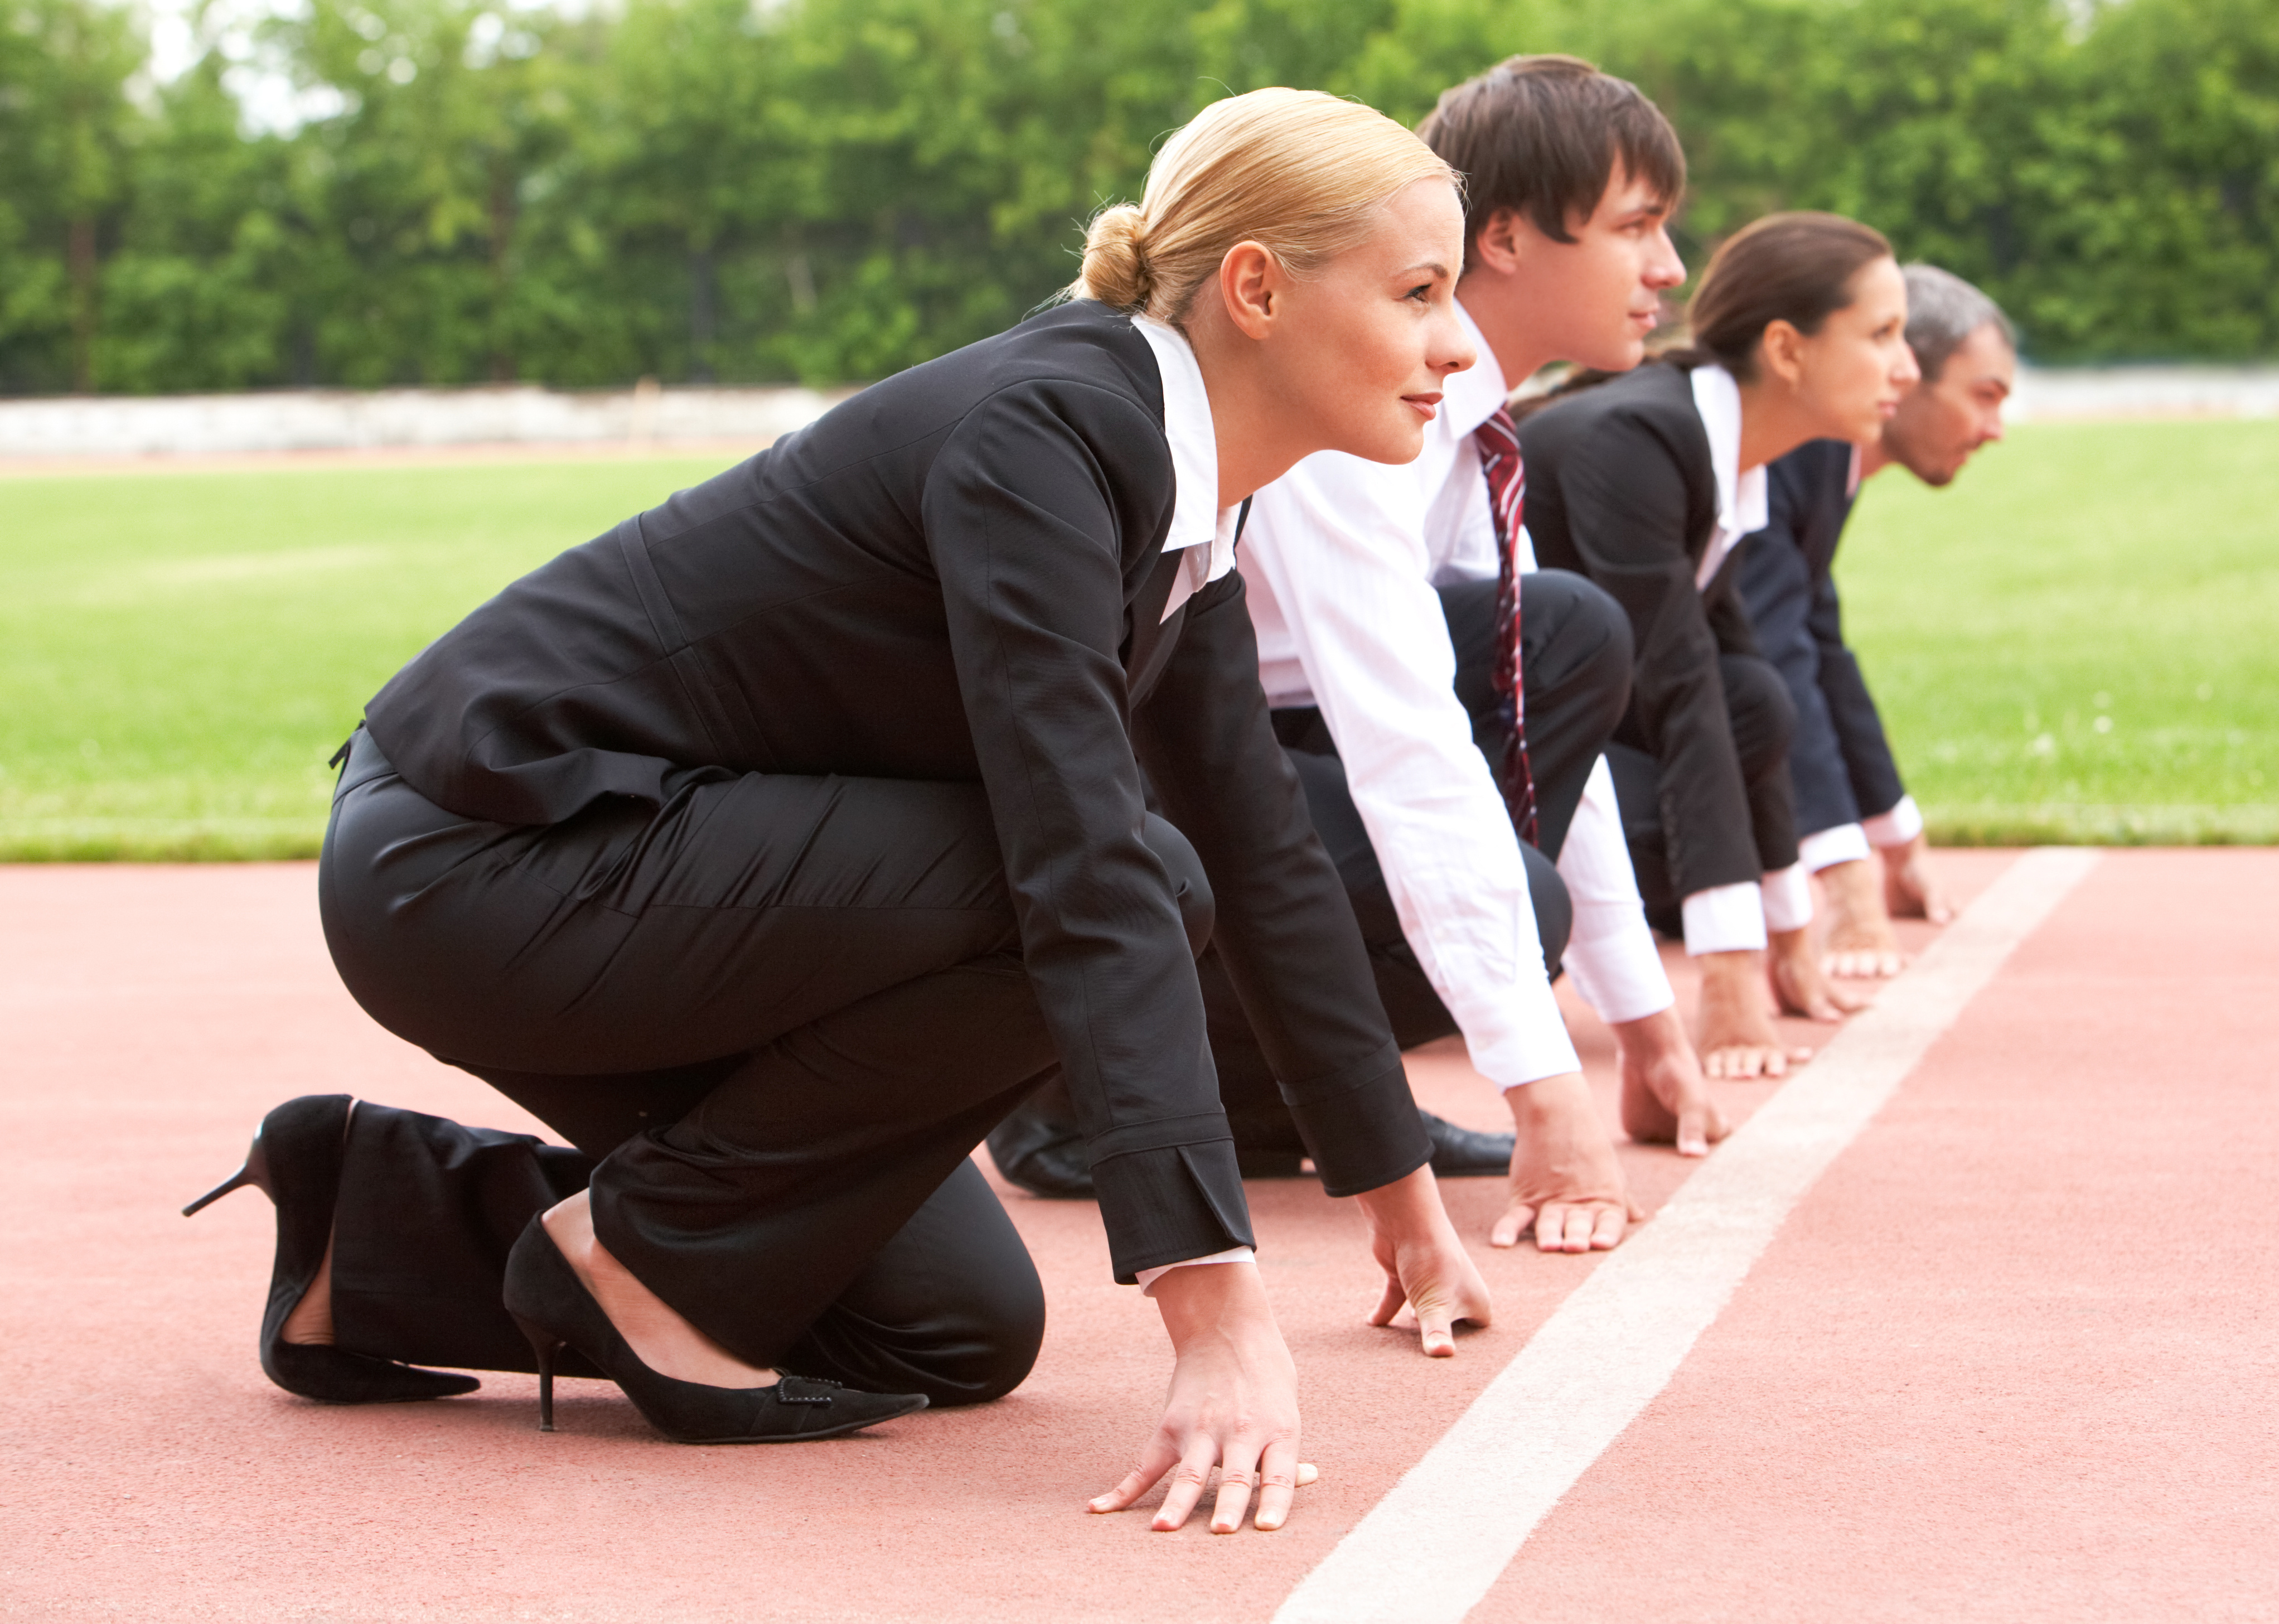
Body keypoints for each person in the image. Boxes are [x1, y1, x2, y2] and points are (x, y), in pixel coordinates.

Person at [185, 88, 1496, 1539]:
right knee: (1129, 878)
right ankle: (644, 1246)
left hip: (648, 868)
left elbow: (1264, 846)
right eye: (1422, 292)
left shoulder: (1188, 498)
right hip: (494, 854)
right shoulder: (1046, 433)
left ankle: (362, 1242)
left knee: (950, 1332)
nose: (1459, 344)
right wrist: (1218, 1314)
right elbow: (1085, 867)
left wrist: (1397, 1192)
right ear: (1256, 287)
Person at [988, 56, 1730, 1248]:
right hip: (1163, 772)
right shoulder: (1343, 402)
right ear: (1507, 241)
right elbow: (1403, 736)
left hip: (1257, 751)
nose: (1669, 271)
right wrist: (1548, 1091)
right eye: (1637, 227)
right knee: (1515, 866)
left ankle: (1309, 1094)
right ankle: (1079, 1091)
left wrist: (1643, 1025)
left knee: (1566, 637)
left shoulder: (1456, 415)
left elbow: (1538, 730)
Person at [1520, 212, 1920, 1079]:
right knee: (1711, 710)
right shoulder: (1639, 440)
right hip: (1440, 753)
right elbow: (1680, 690)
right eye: (1883, 335)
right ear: (1788, 349)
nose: (1908, 369)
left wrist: (1791, 942)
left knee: (1755, 696)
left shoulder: (1725, 451)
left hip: (1548, 740)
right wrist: (1731, 980)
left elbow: (1743, 688)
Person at [1736, 264, 2015, 976]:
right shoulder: (1792, 449)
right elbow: (1777, 653)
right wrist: (1851, 889)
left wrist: (1899, 840)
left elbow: (1823, 645)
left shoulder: (1831, 466)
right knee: (1727, 866)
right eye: (1984, 396)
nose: (1995, 431)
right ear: (1907, 372)